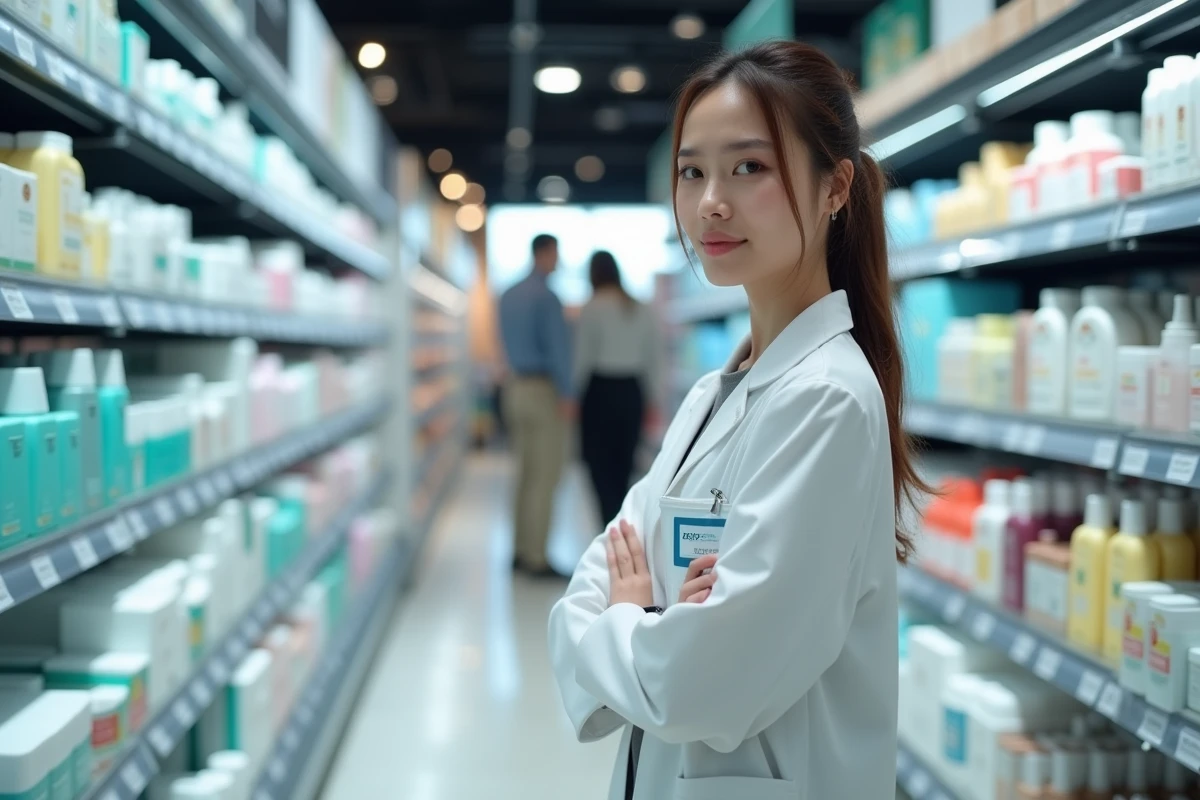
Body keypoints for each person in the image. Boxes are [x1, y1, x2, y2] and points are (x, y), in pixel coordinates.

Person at [548, 41, 929, 799]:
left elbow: (706, 686)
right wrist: (659, 622)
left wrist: (631, 615)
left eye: (749, 167)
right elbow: (586, 589)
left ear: (835, 187)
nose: (711, 203)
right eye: (692, 172)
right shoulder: (712, 395)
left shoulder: (826, 401)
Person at [498, 233, 574, 578]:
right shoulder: (547, 297)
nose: (558, 261)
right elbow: (558, 349)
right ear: (544, 253)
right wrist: (567, 394)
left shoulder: (509, 294)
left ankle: (518, 550)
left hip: (515, 388)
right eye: (556, 254)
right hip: (543, 390)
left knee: (524, 473)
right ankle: (537, 558)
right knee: (545, 476)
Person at [575, 251, 658, 526]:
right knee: (624, 464)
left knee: (599, 465)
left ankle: (607, 523)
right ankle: (622, 522)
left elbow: (582, 358)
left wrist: (572, 396)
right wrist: (653, 399)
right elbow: (654, 357)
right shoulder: (638, 307)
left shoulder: (592, 307)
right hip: (632, 390)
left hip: (600, 392)